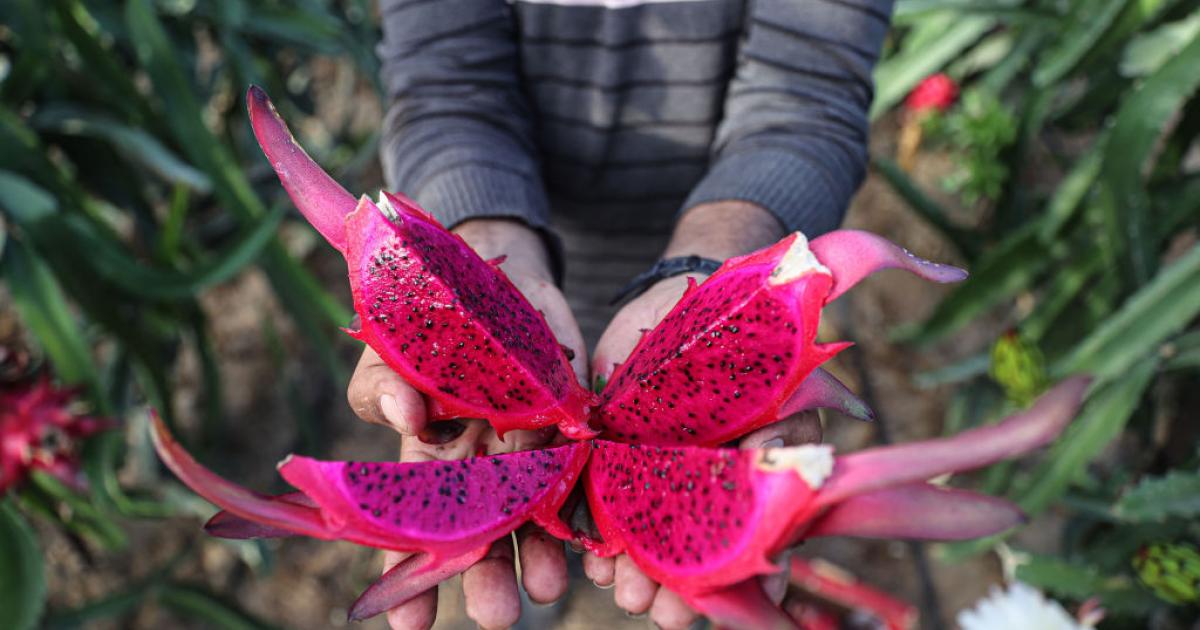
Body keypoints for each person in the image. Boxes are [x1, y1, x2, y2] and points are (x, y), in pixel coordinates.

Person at [349, 1, 892, 628]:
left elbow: (808, 96)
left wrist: (714, 266)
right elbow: (447, 86)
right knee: (516, 564)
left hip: (711, 277)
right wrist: (480, 261)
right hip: (524, 286)